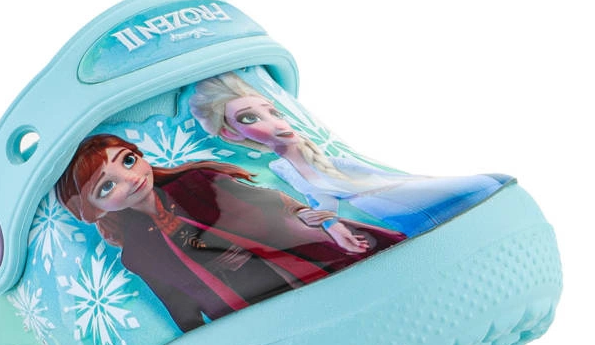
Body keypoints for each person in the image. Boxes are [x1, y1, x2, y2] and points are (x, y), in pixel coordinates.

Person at [56, 134, 406, 332]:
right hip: (242, 306)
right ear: (95, 210)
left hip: (295, 260)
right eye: (106, 187)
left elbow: (271, 202)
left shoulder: (198, 182)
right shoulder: (137, 252)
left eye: (128, 160)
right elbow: (176, 300)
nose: (131, 178)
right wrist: (197, 339)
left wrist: (329, 223)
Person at [188, 71, 509, 236]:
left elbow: (377, 177)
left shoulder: (329, 161)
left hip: (385, 196)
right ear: (231, 134)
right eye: (249, 119)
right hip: (376, 204)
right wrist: (327, 222)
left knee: (486, 189)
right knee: (483, 191)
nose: (276, 123)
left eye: (273, 111)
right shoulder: (281, 169)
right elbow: (320, 196)